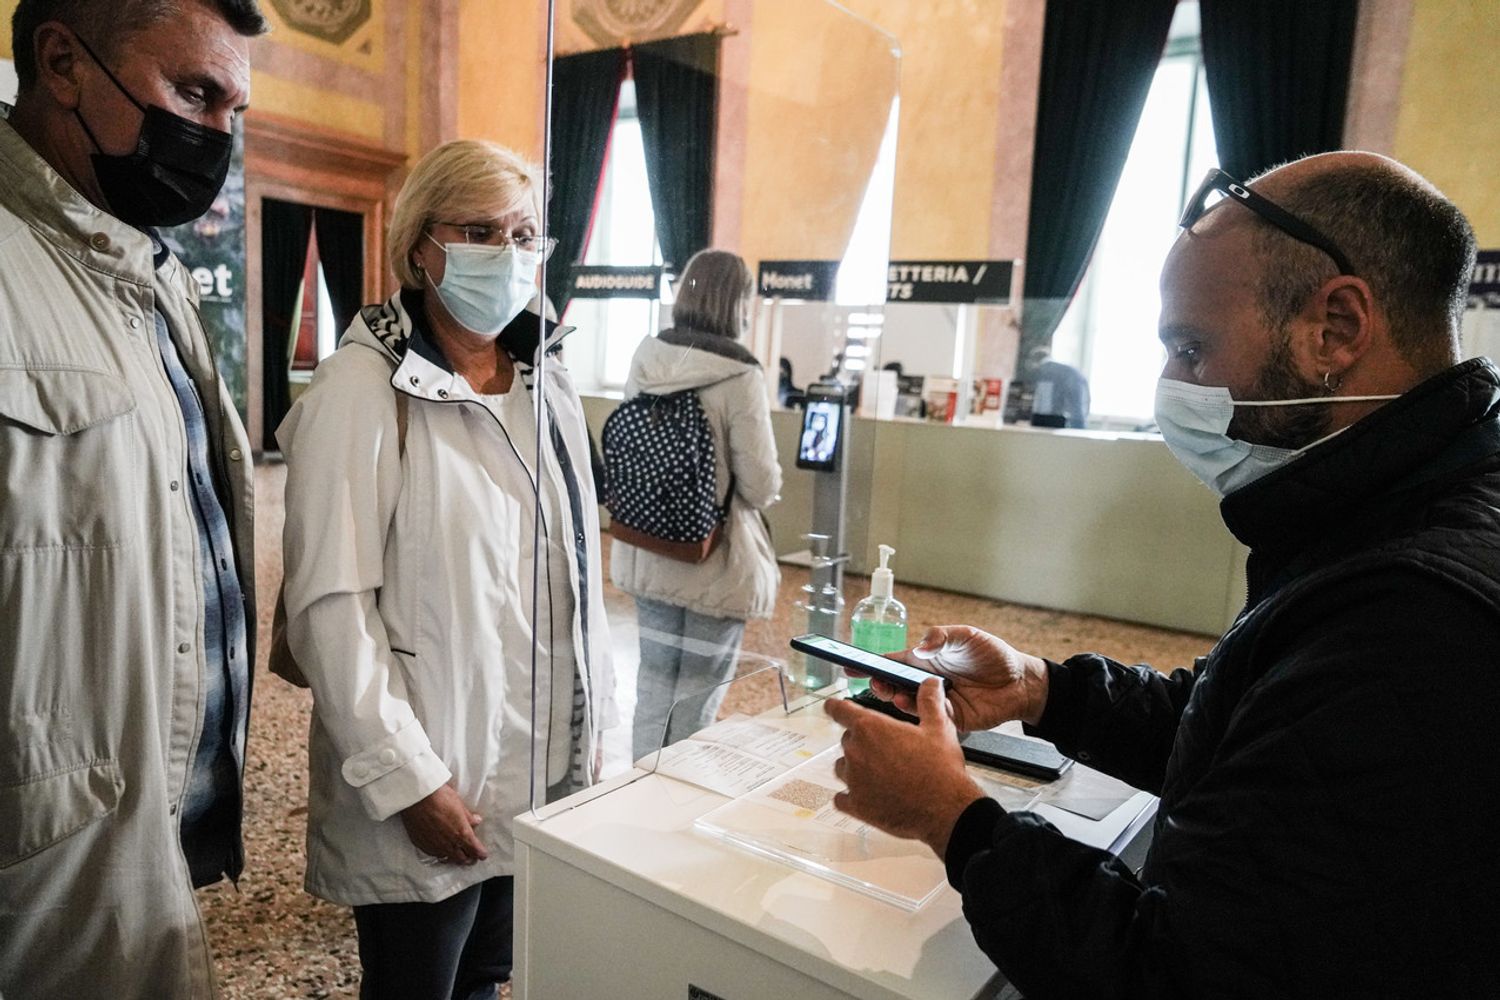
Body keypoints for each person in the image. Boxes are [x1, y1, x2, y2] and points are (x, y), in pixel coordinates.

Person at [827, 152, 1500, 998]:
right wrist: (1044, 689)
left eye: (1191, 347)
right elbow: (1259, 735)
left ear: (1336, 328)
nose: (1171, 385)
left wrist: (953, 818)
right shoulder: (1400, 512)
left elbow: (1181, 974)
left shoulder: (1414, 622)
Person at [277, 139, 616, 999]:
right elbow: (330, 610)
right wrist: (409, 779)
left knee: (490, 981)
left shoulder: (549, 382)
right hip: (431, 774)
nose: (508, 254)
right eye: (480, 230)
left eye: (526, 233)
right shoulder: (363, 390)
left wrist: (592, 737)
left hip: (538, 767)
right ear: (421, 245)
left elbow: (577, 588)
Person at [0, 1, 266, 995]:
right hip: (45, 896)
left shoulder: (145, 271)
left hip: (140, 856)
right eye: (194, 93)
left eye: (234, 110)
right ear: (62, 63)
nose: (216, 138)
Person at [611, 249, 782, 761]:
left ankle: (638, 790)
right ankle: (676, 799)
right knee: (698, 695)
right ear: (737, 303)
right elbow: (758, 484)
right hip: (714, 559)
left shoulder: (646, 359)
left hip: (649, 545)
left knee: (655, 683)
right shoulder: (740, 374)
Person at [1026, 345, 1090, 428]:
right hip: (1077, 416)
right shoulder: (1071, 370)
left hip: (1053, 421)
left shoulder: (1043, 371)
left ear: (1033, 361)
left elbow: (1044, 406)